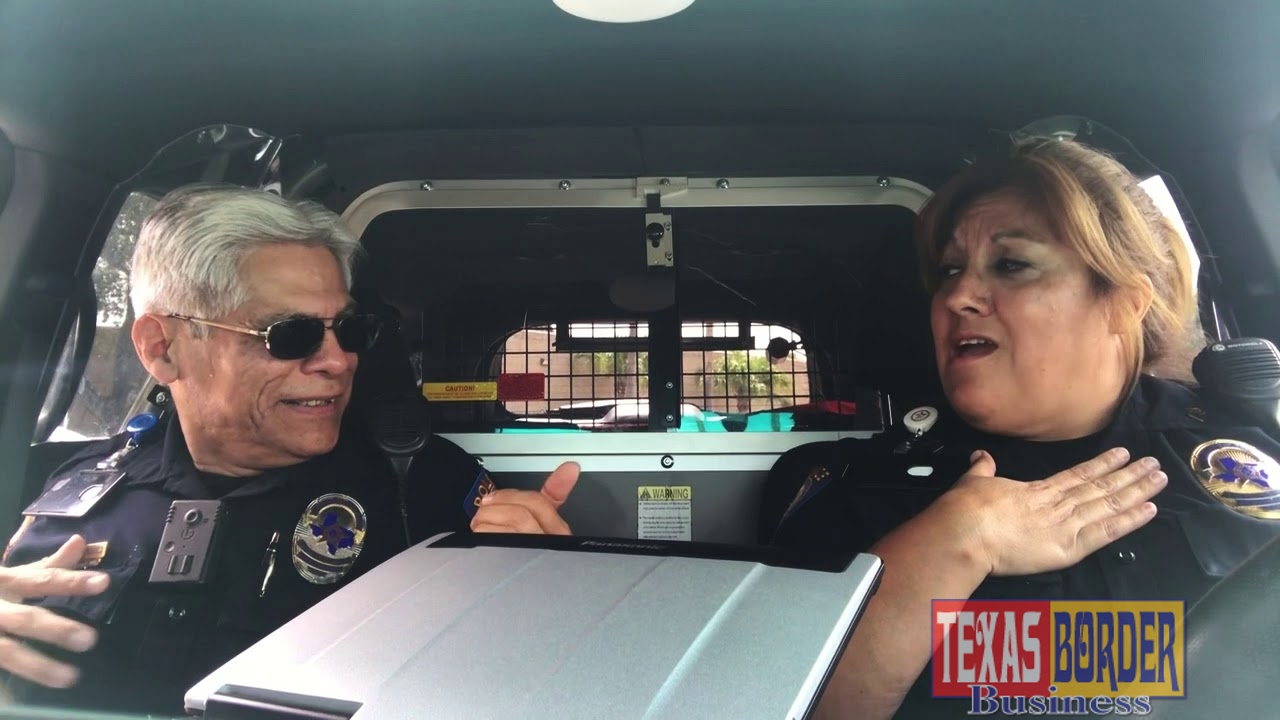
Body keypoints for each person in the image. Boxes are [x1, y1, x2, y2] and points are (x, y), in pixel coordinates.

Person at [0, 184, 578, 715]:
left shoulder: (425, 487)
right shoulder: (63, 490)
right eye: (289, 335)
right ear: (162, 348)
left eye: (349, 332)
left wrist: (538, 584)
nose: (338, 361)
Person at [756, 137, 1280, 718]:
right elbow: (780, 703)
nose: (957, 295)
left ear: (1123, 302)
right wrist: (951, 544)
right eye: (950, 270)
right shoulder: (852, 489)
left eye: (1011, 265)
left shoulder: (1245, 457)